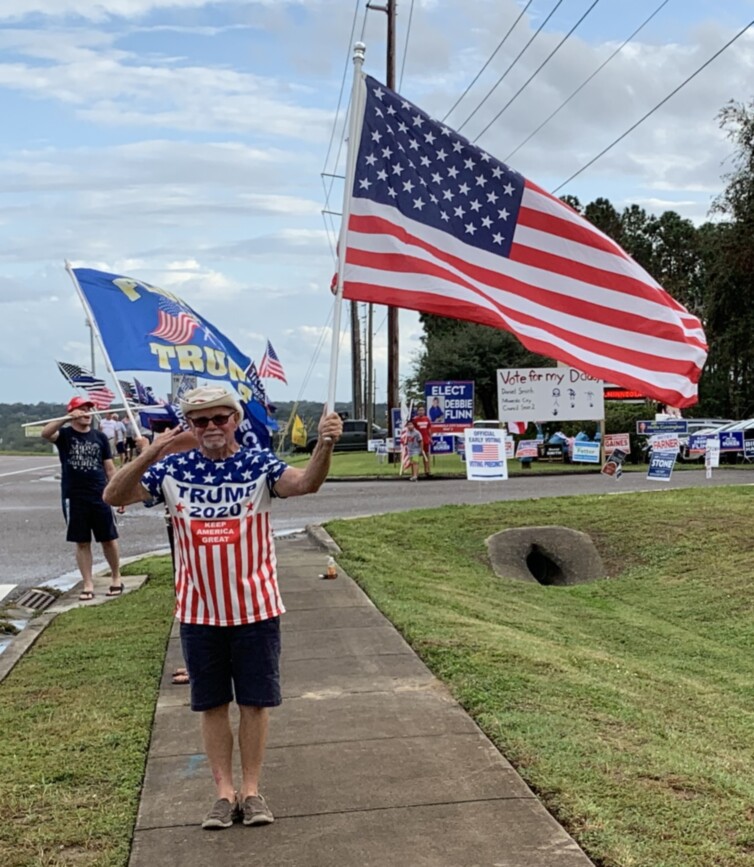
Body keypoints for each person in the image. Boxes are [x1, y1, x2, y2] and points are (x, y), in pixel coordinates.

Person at [103, 386, 343, 831]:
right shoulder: (171, 469)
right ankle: (222, 794)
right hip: (198, 612)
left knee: (254, 703)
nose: (211, 428)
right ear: (189, 426)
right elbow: (114, 496)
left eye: (220, 419)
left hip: (255, 608)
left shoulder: (258, 464)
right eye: (200, 421)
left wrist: (325, 444)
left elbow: (305, 483)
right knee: (211, 704)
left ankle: (251, 793)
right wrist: (151, 452)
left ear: (235, 419)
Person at [41, 396, 123, 601]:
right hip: (73, 496)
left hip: (100, 494)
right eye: (82, 409)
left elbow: (109, 468)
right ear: (73, 412)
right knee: (82, 541)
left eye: (89, 409)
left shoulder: (100, 437)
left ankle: (116, 576)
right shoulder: (65, 435)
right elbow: (46, 433)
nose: (87, 413)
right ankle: (88, 582)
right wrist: (65, 418)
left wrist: (119, 493)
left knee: (108, 539)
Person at [412, 403, 432, 476]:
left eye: (422, 410)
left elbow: (429, 429)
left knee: (426, 456)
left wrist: (430, 438)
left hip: (425, 440)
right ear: (417, 411)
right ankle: (415, 473)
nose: (421, 411)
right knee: (416, 456)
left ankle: (427, 471)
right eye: (419, 410)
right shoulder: (415, 420)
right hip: (417, 441)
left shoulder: (427, 419)